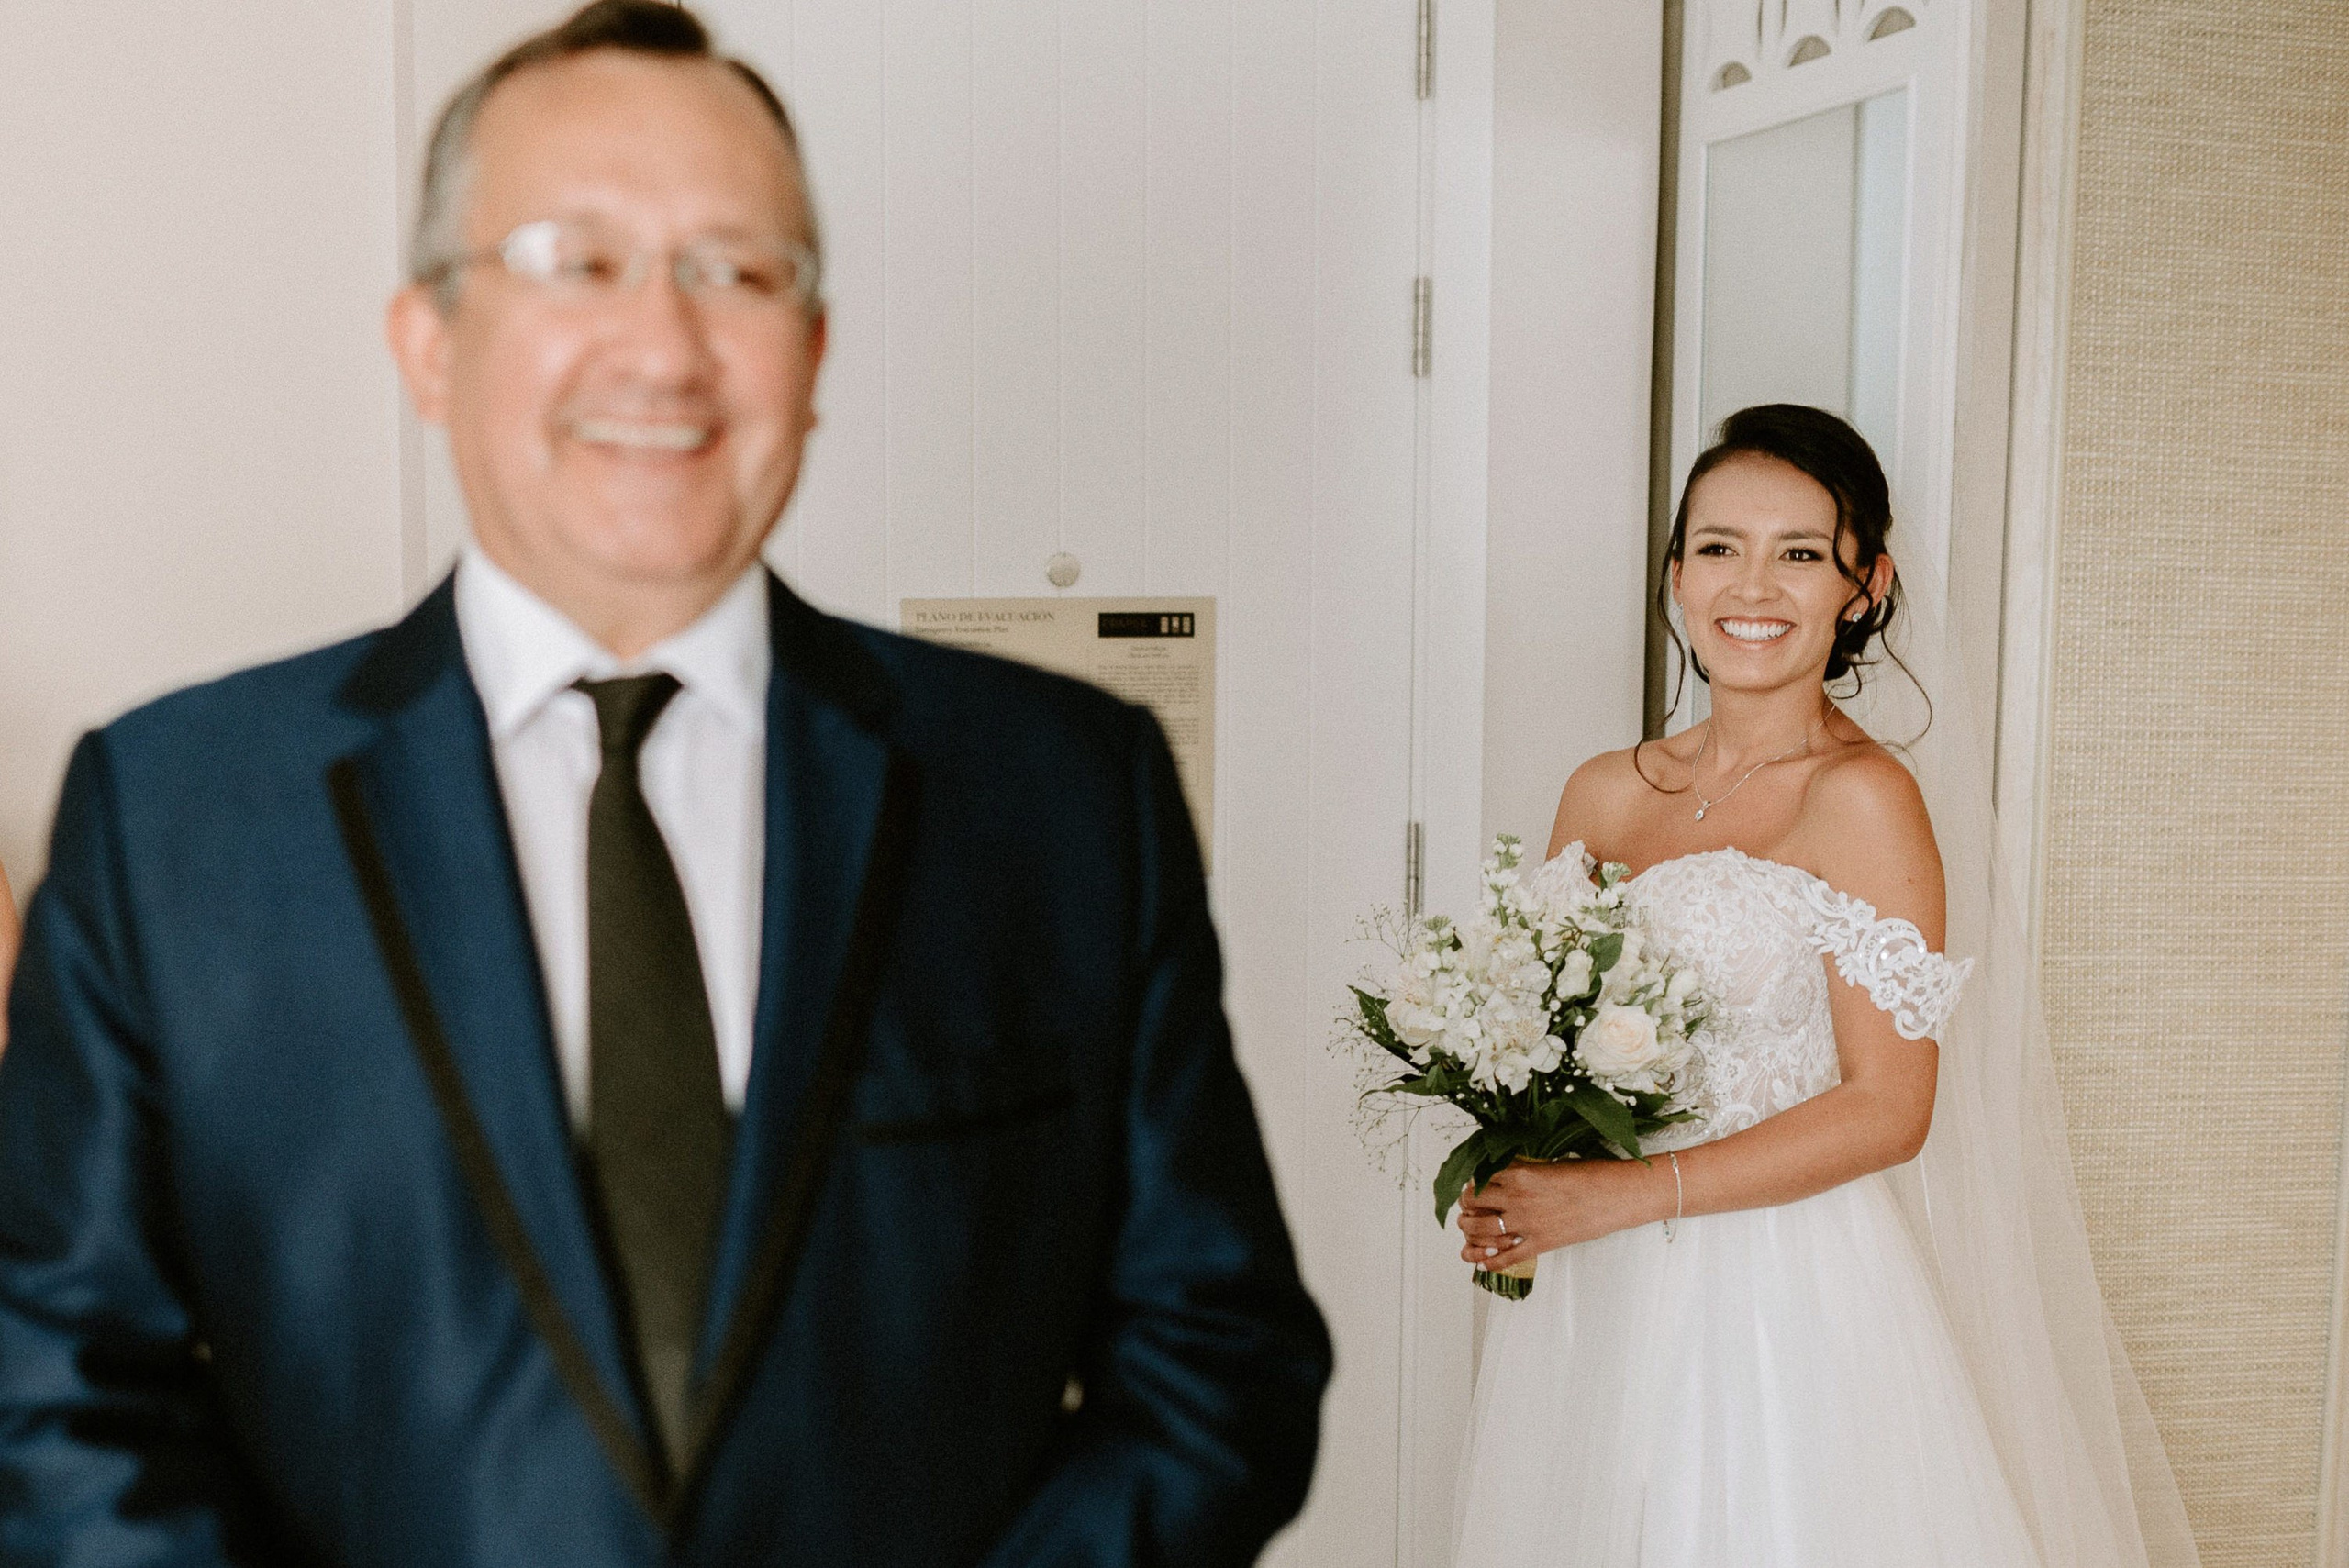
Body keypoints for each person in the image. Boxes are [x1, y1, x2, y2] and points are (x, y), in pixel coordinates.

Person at [0, 5, 1330, 1563]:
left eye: (736, 271)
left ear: (813, 353)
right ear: (428, 342)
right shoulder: (173, 816)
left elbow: (1219, 1358)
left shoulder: (1060, 795)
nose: (663, 344)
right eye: (578, 260)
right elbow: (58, 1389)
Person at [1449, 405, 2195, 1566]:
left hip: (1777, 1297)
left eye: (1799, 551)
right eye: (1718, 546)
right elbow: (1538, 1033)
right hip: (1596, 1288)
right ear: (1677, 573)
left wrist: (1622, 1195)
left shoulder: (1860, 798)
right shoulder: (1601, 790)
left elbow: (1889, 1107)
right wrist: (1518, 1168)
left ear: (1863, 585)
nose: (1752, 585)